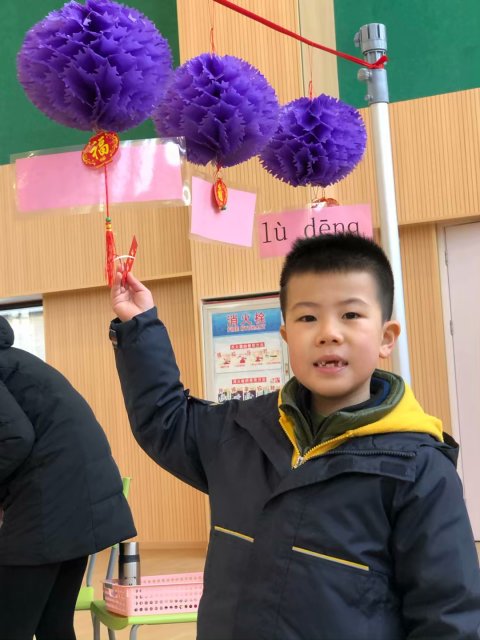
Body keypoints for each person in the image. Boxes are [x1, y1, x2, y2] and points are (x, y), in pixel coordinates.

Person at [109, 233, 480, 640]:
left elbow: (448, 616)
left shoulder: (417, 470)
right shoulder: (241, 430)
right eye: (307, 318)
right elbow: (165, 421)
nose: (328, 333)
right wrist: (138, 327)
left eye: (351, 314)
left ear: (386, 338)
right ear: (285, 337)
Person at [0, 316, 136, 640]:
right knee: (54, 625)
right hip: (78, 502)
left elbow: (15, 438)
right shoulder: (16, 362)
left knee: (10, 628)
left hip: (51, 504)